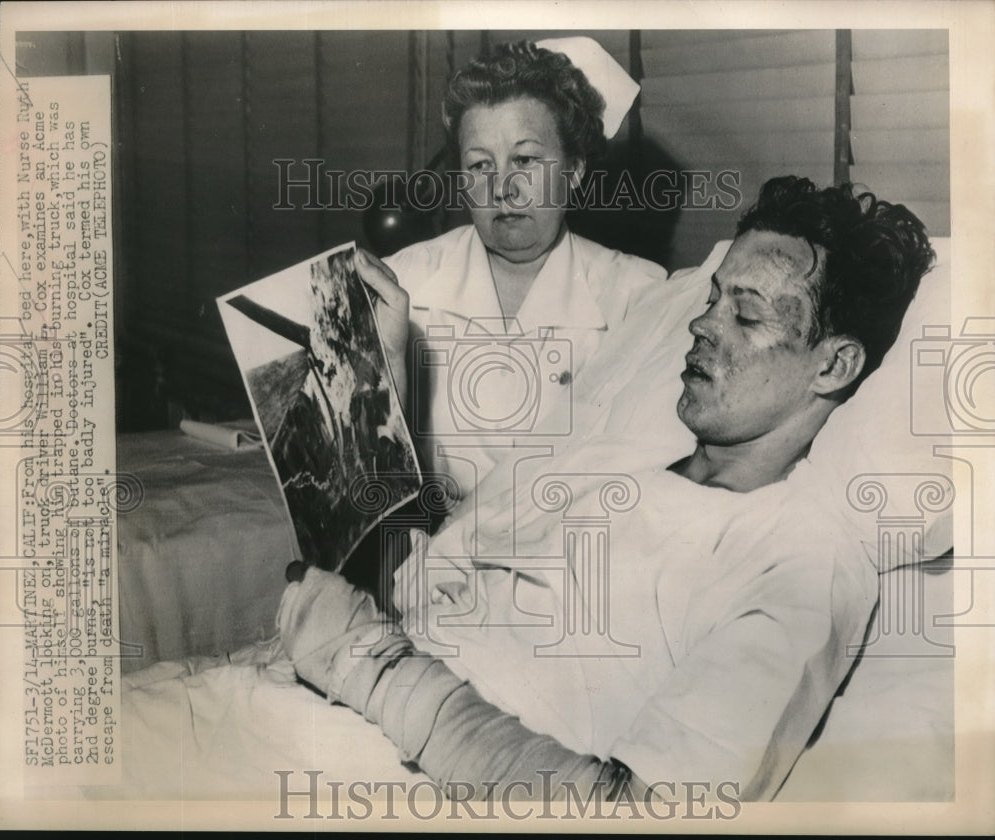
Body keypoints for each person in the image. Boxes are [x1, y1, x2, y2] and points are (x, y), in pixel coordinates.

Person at [278, 175, 936, 803]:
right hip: (309, 701)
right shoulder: (626, 469)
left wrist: (370, 664)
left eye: (747, 314)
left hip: (375, 768)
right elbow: (414, 593)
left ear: (833, 364)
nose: (703, 325)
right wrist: (378, 387)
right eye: (711, 298)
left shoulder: (801, 561)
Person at [356, 38, 649, 506]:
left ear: (573, 169)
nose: (502, 189)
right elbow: (365, 488)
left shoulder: (638, 296)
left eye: (526, 160)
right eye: (479, 165)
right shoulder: (403, 280)